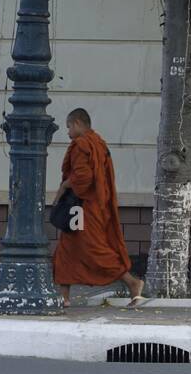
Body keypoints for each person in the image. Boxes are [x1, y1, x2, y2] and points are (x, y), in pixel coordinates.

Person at [50, 108, 144, 307]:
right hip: (92, 206)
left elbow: (82, 179)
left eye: (68, 127)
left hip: (83, 207)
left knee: (94, 249)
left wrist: (63, 187)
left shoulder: (82, 144)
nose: (68, 133)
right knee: (67, 247)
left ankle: (133, 282)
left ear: (77, 123)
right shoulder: (98, 143)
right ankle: (64, 298)